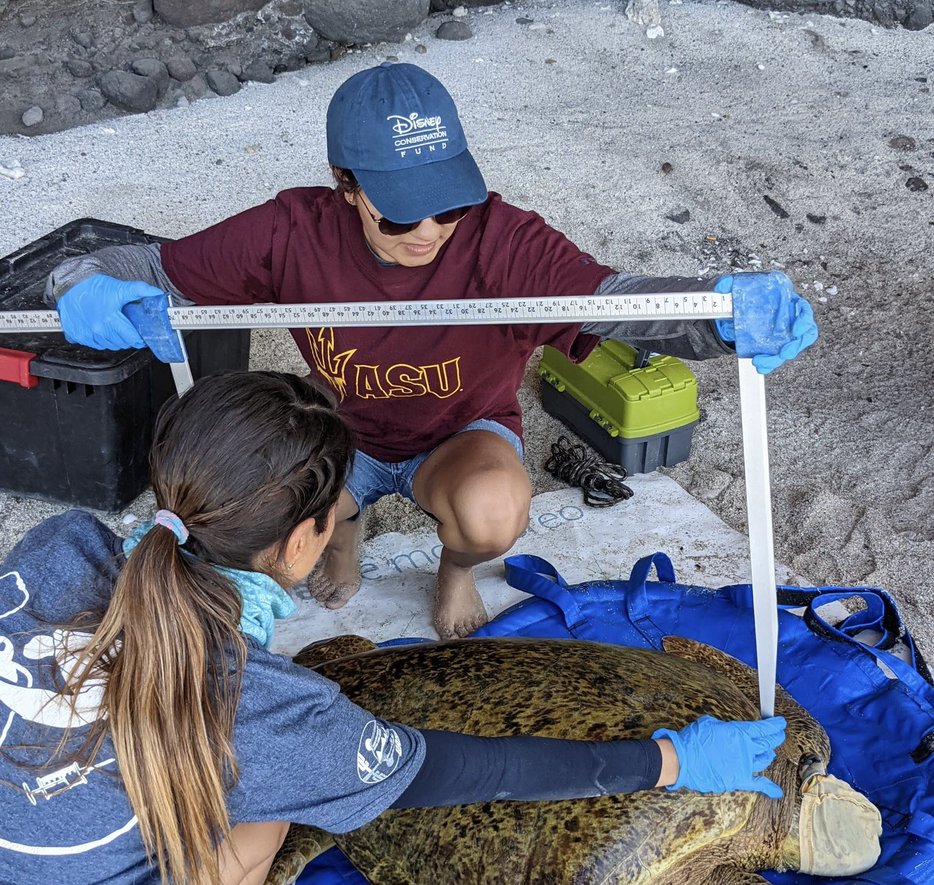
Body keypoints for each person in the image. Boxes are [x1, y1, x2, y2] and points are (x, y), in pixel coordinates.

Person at [0, 368, 788, 885]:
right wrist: (671, 761)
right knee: (261, 822)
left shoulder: (58, 548)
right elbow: (477, 767)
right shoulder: (271, 718)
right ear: (306, 540)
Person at [46, 64, 817, 641]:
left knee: (490, 514)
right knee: (261, 519)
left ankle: (454, 572)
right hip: (340, 435)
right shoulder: (290, 230)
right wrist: (79, 281)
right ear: (345, 185)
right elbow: (145, 265)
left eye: (448, 203)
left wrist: (717, 315)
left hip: (462, 437)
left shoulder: (505, 239)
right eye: (402, 214)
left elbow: (621, 306)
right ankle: (342, 527)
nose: (430, 231)